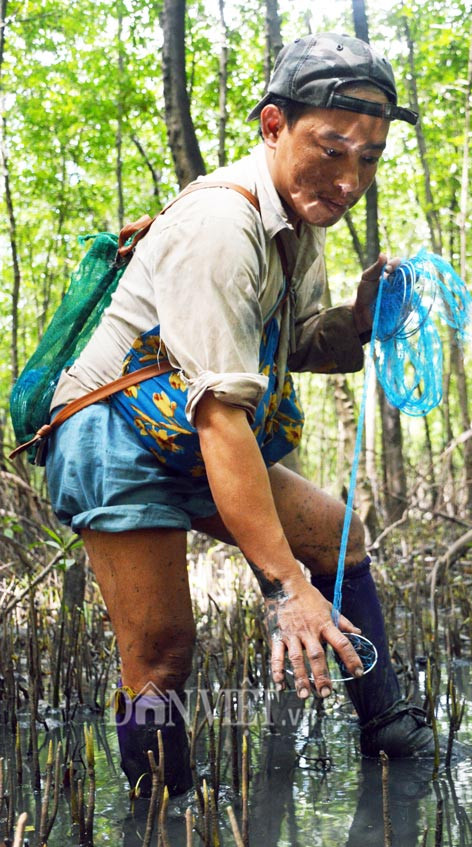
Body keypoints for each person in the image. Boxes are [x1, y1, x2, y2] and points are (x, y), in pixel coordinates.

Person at [45, 31, 434, 798]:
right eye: (332, 149)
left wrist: (359, 319)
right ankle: (162, 807)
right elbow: (223, 416)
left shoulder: (297, 225)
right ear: (273, 125)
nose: (350, 179)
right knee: (161, 653)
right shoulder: (223, 226)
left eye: (369, 158)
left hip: (183, 426)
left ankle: (388, 729)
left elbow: (296, 345)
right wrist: (286, 585)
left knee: (339, 534)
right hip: (110, 433)